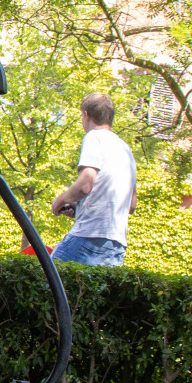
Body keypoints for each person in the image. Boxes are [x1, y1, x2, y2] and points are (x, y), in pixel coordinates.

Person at [50, 92, 137, 267]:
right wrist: (79, 207)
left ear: (86, 115)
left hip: (88, 236)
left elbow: (84, 185)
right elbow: (131, 204)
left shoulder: (94, 137)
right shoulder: (125, 149)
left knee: (48, 282)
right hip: (116, 244)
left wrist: (61, 200)